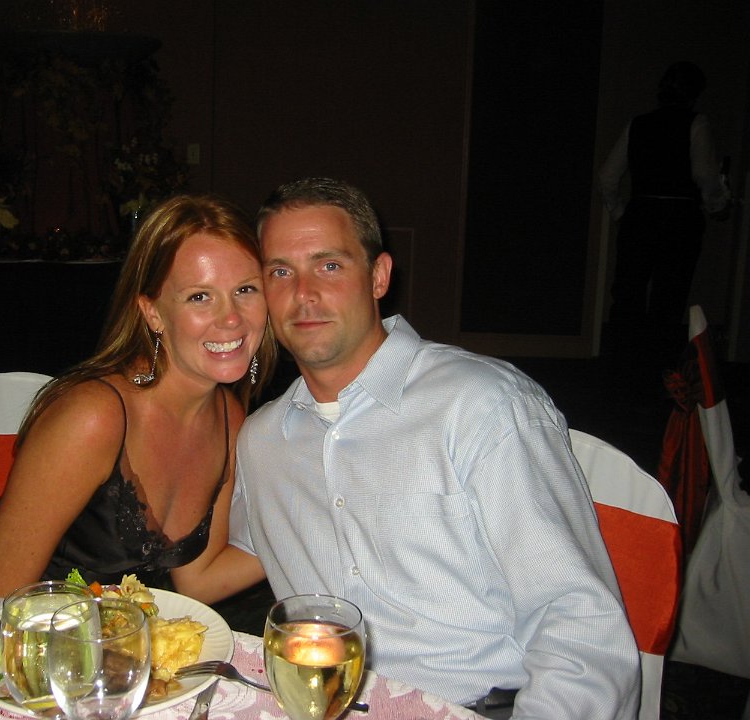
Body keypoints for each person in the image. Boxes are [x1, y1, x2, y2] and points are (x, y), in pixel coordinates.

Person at [224, 178, 641, 719]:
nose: (304, 293)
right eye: (280, 271)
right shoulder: (263, 442)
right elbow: (226, 558)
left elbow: (581, 627)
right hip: (322, 702)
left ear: (379, 276)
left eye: (329, 265)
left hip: (480, 706)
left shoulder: (481, 405)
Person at [0, 194, 276, 598]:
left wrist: (317, 526)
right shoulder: (95, 416)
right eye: (200, 296)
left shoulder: (229, 418)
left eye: (246, 289)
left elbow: (197, 581)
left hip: (102, 628)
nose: (231, 318)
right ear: (153, 312)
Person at [598, 61, 730, 344]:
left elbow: (608, 176)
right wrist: (717, 204)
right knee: (669, 294)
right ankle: (657, 356)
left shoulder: (638, 124)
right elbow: (705, 174)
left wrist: (620, 212)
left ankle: (622, 353)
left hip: (641, 213)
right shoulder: (696, 123)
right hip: (679, 216)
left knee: (628, 290)